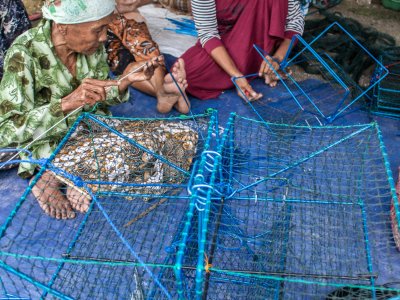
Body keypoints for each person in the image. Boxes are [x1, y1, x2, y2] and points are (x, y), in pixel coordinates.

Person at [0, 0, 160, 219]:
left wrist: (122, 82)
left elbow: (99, 96)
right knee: (131, 153)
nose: (104, 37)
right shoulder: (24, 54)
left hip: (89, 130)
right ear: (63, 27)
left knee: (157, 146)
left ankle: (63, 172)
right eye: (98, 30)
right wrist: (65, 104)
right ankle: (63, 172)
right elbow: (6, 131)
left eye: (105, 27)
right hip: (48, 140)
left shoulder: (92, 47)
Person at [180, 0, 305, 101]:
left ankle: (265, 66)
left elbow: (295, 22)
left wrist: (277, 59)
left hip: (262, 46)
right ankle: (254, 70)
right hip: (224, 42)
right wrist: (237, 76)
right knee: (185, 76)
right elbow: (208, 33)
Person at [107, 0, 190, 113]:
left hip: (121, 15)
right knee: (134, 53)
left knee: (139, 46)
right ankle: (164, 93)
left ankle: (163, 93)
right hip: (97, 24)